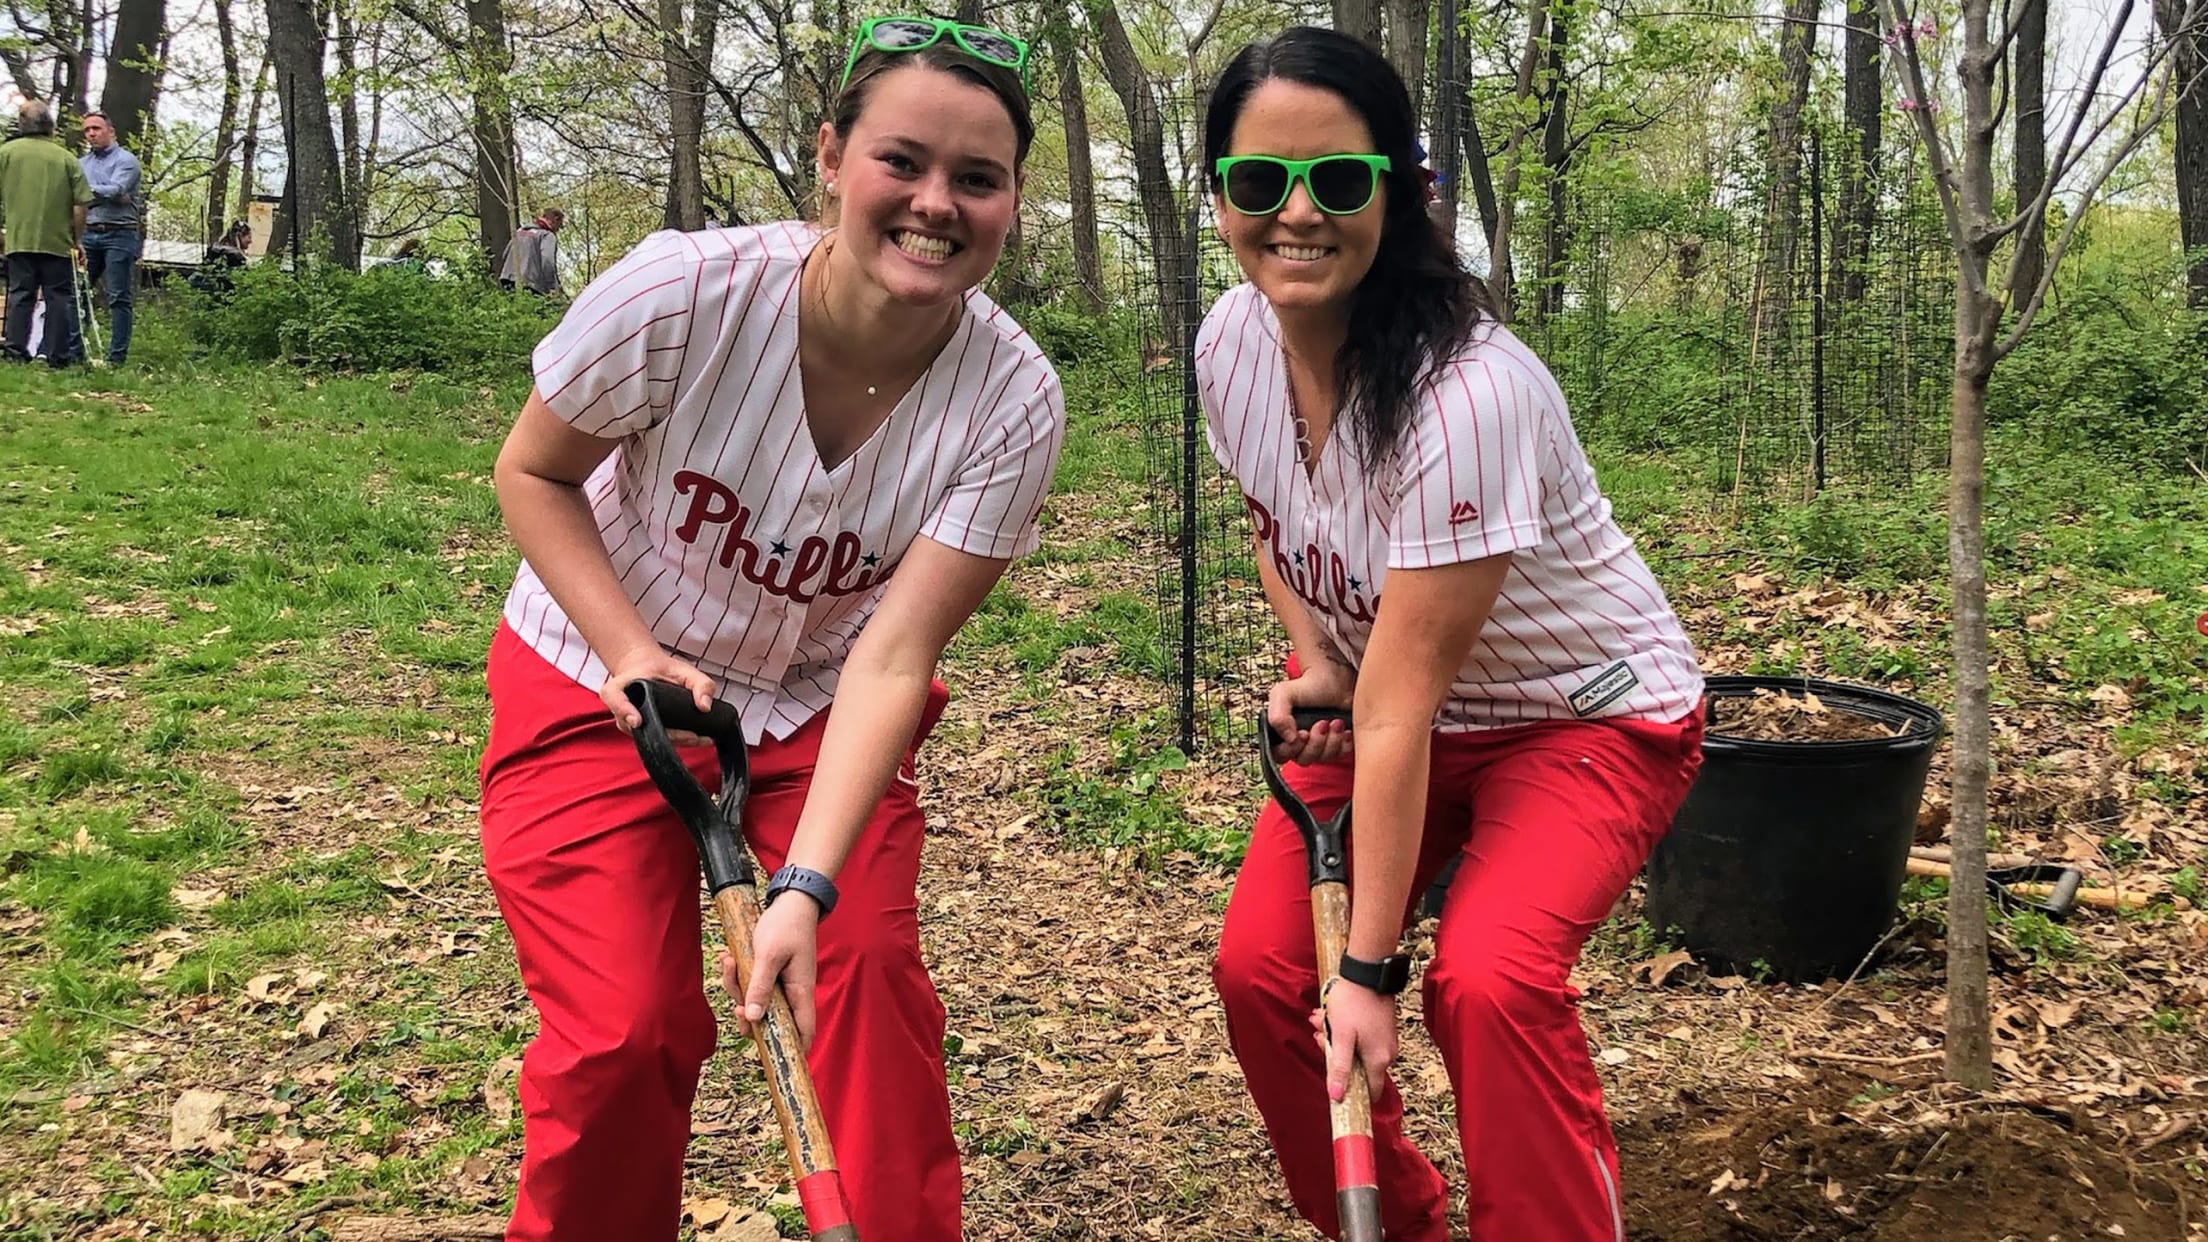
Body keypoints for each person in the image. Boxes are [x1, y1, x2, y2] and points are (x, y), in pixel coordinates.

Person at [477, 14, 1052, 1241]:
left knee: (864, 983)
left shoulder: (1014, 401)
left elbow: (898, 656)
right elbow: (533, 474)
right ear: (833, 157)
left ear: (1012, 200)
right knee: (623, 1035)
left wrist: (806, 884)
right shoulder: (682, 291)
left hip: (814, 704)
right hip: (600, 670)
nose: (934, 202)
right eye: (902, 160)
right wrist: (633, 652)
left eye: (977, 178)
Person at [1197, 28, 1706, 1242]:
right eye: (1260, 182)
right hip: (1395, 705)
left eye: (1340, 180)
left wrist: (1369, 971)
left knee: (1490, 984)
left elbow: (1402, 707)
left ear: (1405, 191)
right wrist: (1316, 651)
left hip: (1581, 715)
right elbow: (1279, 519)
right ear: (1221, 196)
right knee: (1262, 973)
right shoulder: (1229, 342)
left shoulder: (1471, 396)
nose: (1297, 215)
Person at [0, 101, 89, 367]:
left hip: (19, 238)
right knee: (58, 298)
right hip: (57, 242)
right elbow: (80, 205)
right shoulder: (66, 158)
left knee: (20, 294)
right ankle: (56, 357)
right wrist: (77, 239)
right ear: (50, 125)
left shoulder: (6, 153)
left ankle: (14, 353)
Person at [76, 110, 140, 365]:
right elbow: (107, 194)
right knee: (79, 294)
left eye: (96, 128)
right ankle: (75, 352)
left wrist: (85, 193)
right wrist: (103, 195)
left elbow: (118, 189)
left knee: (118, 297)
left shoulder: (127, 161)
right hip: (89, 234)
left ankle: (116, 358)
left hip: (120, 234)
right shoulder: (82, 164)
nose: (91, 133)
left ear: (110, 131)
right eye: (87, 130)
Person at [497, 208, 564, 295]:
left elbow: (505, 254)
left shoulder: (519, 232)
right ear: (555, 220)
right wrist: (551, 286)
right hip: (531, 285)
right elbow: (547, 261)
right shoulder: (547, 235)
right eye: (559, 225)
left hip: (508, 280)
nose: (558, 230)